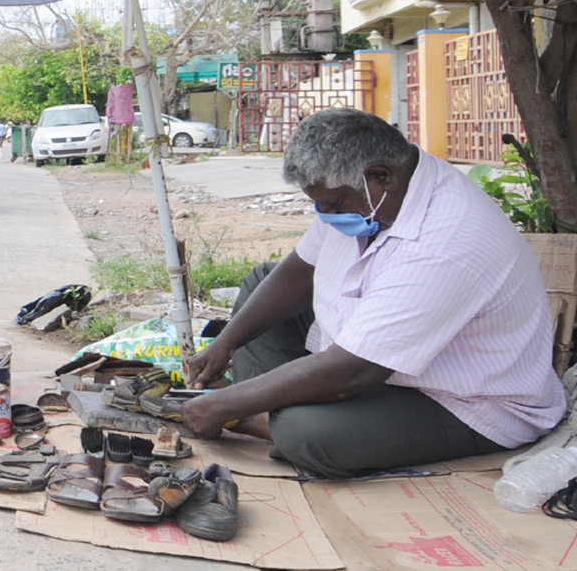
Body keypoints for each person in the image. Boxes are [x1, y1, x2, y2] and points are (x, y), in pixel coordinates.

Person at [182, 107, 566, 479]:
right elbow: (300, 272)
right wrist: (225, 344)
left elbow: (354, 369)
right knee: (261, 282)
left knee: (309, 435)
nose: (324, 213)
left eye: (332, 204)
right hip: (374, 356)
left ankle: (263, 417)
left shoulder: (446, 241)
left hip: (464, 402)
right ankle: (271, 408)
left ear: (381, 176)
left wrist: (226, 404)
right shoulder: (375, 187)